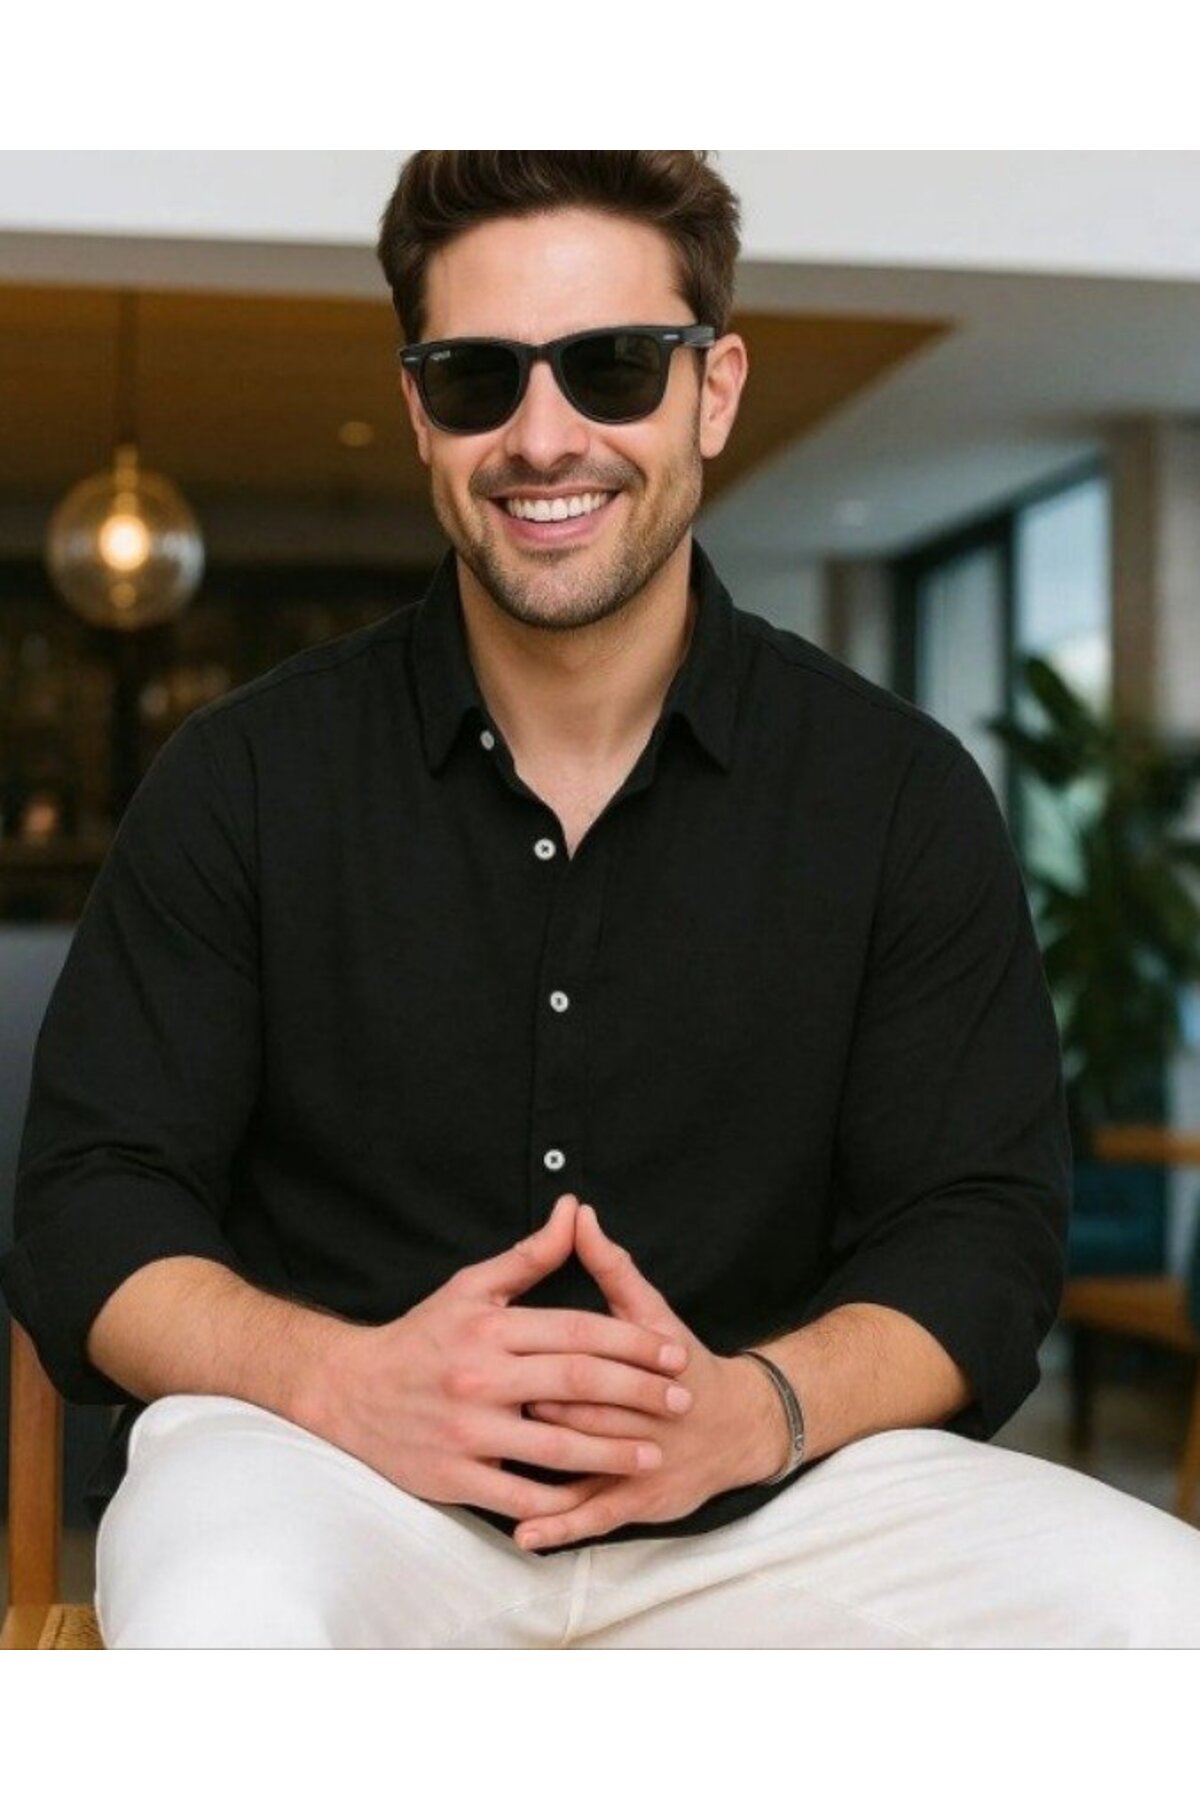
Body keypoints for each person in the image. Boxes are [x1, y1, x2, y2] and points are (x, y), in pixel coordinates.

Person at [4, 150, 1200, 1649]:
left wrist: (757, 1410)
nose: (542, 436)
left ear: (715, 389)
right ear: (418, 412)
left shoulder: (899, 794)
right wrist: (340, 1380)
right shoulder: (242, 778)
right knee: (218, 1618)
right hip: (327, 1472)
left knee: (1159, 1610)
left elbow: (983, 1231)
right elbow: (88, 1200)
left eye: (613, 366)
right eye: (478, 377)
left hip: (775, 1501)